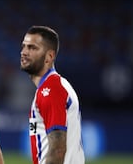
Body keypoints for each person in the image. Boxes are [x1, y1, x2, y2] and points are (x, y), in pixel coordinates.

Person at [20, 26, 85, 164]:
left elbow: (58, 149)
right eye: (24, 46)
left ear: (49, 56)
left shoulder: (51, 89)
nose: (24, 52)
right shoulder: (52, 87)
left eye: (32, 48)